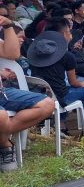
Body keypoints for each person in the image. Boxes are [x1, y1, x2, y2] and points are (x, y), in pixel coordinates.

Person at [1, 12, 56, 172]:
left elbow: (13, 54)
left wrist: (8, 26)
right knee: (2, 116)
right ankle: (5, 145)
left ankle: (2, 133)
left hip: (2, 92)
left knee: (47, 104)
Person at [28, 21, 84, 136]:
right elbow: (73, 82)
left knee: (61, 89)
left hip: (39, 96)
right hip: (58, 98)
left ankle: (61, 127)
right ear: (63, 34)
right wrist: (81, 83)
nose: (71, 35)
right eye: (69, 32)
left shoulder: (34, 53)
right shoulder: (67, 56)